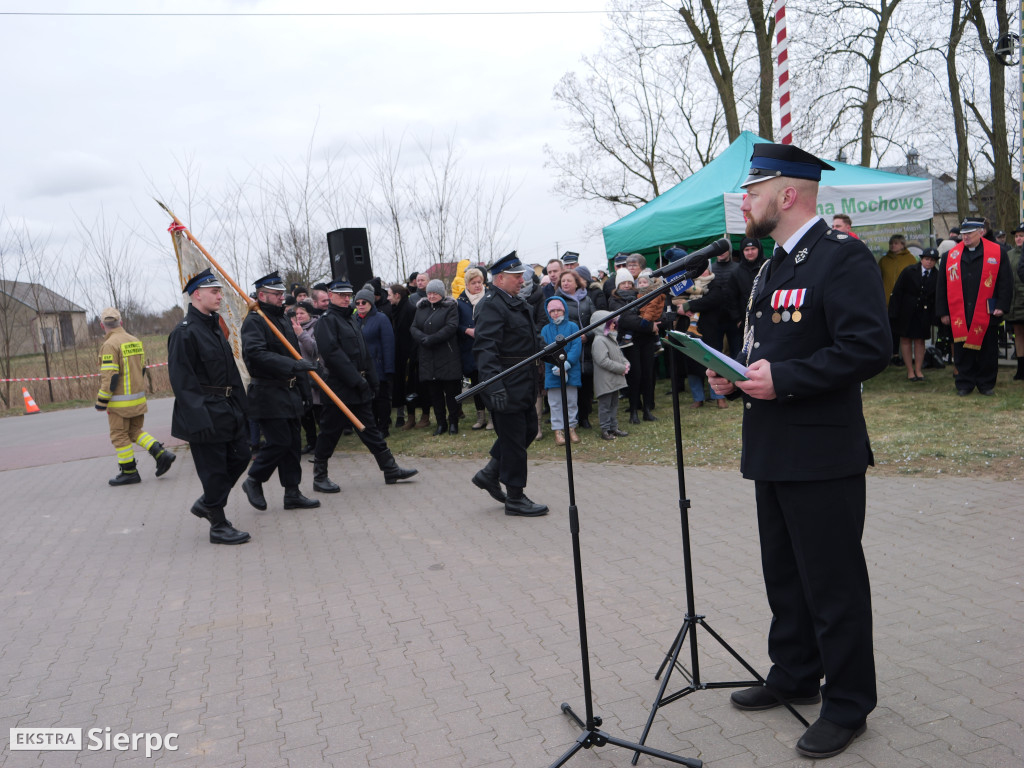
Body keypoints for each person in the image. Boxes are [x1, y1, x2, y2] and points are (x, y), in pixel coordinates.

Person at [706, 142, 890, 759]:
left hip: (822, 453)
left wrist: (784, 380)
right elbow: (771, 344)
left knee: (833, 583)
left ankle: (848, 703)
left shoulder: (841, 259)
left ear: (787, 194)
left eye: (754, 190)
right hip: (773, 446)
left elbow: (867, 349)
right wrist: (731, 373)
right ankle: (794, 674)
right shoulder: (772, 265)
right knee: (783, 575)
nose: (746, 200)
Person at [167, 269, 251, 545]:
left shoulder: (216, 326)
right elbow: (183, 381)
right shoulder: (185, 333)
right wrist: (199, 419)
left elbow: (231, 372)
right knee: (213, 470)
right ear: (197, 294)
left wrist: (243, 407)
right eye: (214, 291)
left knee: (241, 456)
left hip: (227, 408)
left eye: (219, 291)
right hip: (205, 412)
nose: (219, 295)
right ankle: (218, 524)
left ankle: (208, 503)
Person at [311, 279, 418, 493]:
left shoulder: (350, 319)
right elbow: (333, 356)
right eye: (341, 295)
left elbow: (364, 352)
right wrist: (357, 381)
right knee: (330, 432)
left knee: (370, 429)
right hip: (339, 388)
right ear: (331, 295)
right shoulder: (327, 321)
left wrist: (372, 379)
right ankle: (319, 476)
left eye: (348, 295)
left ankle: (390, 468)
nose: (346, 299)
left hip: (358, 385)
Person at [470, 252, 548, 517]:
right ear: (500, 278)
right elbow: (485, 349)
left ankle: (490, 473)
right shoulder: (491, 305)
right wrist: (493, 386)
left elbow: (531, 339)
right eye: (516, 277)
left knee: (527, 430)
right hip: (506, 381)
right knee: (514, 439)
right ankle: (515, 496)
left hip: (523, 380)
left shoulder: (515, 302)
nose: (522, 280)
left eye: (522, 276)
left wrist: (549, 351)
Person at [239, 271, 321, 512]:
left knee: (293, 444)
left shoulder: (284, 319)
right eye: (276, 294)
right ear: (262, 295)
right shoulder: (255, 320)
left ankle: (292, 492)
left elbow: (296, 355)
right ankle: (254, 479)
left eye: (282, 294)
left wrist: (305, 392)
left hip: (290, 392)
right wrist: (293, 366)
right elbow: (256, 354)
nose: (281, 298)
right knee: (280, 442)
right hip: (268, 393)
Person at [95, 306, 175, 486]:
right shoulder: (134, 340)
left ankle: (129, 472)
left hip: (119, 403)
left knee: (119, 435)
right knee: (134, 432)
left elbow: (110, 376)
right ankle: (161, 454)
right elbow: (142, 369)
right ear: (121, 323)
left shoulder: (109, 345)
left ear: (102, 326)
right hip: (137, 398)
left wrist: (102, 401)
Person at [936, 217, 1014, 396]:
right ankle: (964, 383)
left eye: (969, 233)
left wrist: (1002, 305)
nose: (965, 237)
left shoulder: (997, 252)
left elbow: (1005, 282)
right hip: (959, 312)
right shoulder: (950, 256)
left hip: (987, 311)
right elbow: (942, 286)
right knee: (963, 351)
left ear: (981, 232)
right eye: (963, 233)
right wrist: (943, 312)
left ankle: (986, 384)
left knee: (988, 350)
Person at [410, 279, 462, 435]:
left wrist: (432, 339)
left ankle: (453, 422)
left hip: (447, 356)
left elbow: (451, 327)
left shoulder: (450, 307)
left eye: (435, 293)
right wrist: (422, 338)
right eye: (429, 293)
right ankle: (441, 423)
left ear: (441, 293)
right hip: (428, 357)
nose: (431, 296)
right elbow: (413, 327)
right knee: (435, 394)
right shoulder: (421, 308)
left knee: (451, 393)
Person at [888, 247, 939, 381]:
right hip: (906, 311)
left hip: (924, 312)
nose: (929, 262)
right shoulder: (909, 271)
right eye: (927, 259)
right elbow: (897, 291)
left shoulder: (937, 276)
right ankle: (910, 370)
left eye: (932, 260)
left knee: (920, 340)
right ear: (921, 259)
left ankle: (918, 369)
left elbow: (937, 297)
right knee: (905, 339)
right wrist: (894, 312)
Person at [556, 269, 596, 428]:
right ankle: (572, 418)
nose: (565, 283)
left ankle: (585, 417)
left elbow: (595, 322)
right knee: (572, 384)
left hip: (586, 347)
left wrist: (589, 335)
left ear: (577, 283)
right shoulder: (557, 301)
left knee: (586, 383)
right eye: (563, 281)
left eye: (568, 281)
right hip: (569, 347)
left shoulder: (587, 300)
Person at [353, 288, 395, 436]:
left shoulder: (381, 318)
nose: (360, 305)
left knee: (381, 399)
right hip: (361, 368)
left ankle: (383, 428)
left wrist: (389, 369)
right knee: (367, 401)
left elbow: (388, 344)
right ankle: (371, 428)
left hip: (378, 367)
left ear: (370, 302)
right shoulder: (354, 320)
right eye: (357, 303)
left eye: (364, 302)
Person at [540, 296, 582, 445]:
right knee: (555, 402)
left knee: (571, 401)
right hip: (552, 371)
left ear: (563, 310)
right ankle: (558, 430)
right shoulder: (546, 329)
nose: (556, 313)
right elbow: (544, 349)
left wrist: (567, 363)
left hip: (571, 369)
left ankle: (571, 427)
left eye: (558, 310)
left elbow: (576, 346)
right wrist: (555, 364)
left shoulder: (573, 326)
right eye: (553, 311)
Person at [588, 309, 630, 441]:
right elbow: (603, 361)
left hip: (614, 379)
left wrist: (626, 363)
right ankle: (605, 429)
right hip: (605, 380)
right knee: (605, 406)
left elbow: (618, 354)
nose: (614, 325)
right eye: (611, 323)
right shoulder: (599, 340)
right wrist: (621, 368)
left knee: (614, 404)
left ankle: (613, 427)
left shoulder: (611, 338)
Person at [457, 267, 488, 429]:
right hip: (470, 348)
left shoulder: (489, 298)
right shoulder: (460, 302)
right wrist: (466, 330)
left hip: (488, 347)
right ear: (467, 284)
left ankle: (492, 417)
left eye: (479, 282)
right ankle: (480, 416)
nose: (477, 286)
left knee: (489, 381)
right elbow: (456, 324)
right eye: (473, 283)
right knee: (476, 383)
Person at [1006, 224, 1024, 380]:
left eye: (1022, 236)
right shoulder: (1009, 255)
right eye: (1017, 236)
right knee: (1018, 334)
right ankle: (1021, 368)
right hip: (1014, 301)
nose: (1019, 238)